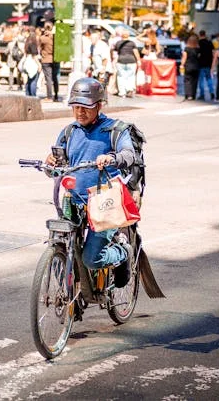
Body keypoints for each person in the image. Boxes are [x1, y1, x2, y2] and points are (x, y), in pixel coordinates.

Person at [45, 77, 135, 282]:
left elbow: (129, 155)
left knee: (92, 259)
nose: (80, 112)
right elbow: (55, 169)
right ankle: (68, 295)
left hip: (105, 200)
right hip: (72, 201)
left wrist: (112, 158)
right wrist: (51, 164)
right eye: (75, 107)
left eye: (85, 107)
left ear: (99, 105)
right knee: (60, 247)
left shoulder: (115, 130)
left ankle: (122, 254)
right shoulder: (69, 132)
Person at [112, 29, 140, 98]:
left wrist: (113, 60)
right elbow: (135, 52)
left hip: (121, 60)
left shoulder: (118, 43)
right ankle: (130, 89)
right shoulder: (132, 43)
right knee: (131, 76)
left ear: (121, 35)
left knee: (121, 76)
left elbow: (114, 52)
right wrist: (139, 60)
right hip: (131, 61)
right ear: (128, 36)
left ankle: (122, 92)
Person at [39, 21, 60, 101]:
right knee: (55, 78)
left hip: (46, 60)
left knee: (48, 79)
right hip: (55, 59)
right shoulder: (55, 37)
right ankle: (56, 96)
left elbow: (40, 48)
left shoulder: (43, 38)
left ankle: (49, 97)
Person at [196, 30, 216, 100]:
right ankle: (212, 92)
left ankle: (202, 95)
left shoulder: (198, 43)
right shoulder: (209, 43)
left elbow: (197, 54)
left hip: (201, 64)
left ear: (199, 35)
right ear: (205, 34)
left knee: (201, 80)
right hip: (208, 63)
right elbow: (213, 53)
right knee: (209, 79)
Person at [22, 30, 41, 97]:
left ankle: (27, 95)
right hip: (32, 63)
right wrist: (39, 64)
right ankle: (33, 96)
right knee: (34, 80)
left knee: (29, 80)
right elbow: (34, 56)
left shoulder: (27, 44)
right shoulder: (33, 44)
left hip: (27, 62)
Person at [180, 35, 200, 100]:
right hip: (196, 66)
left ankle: (188, 95)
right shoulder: (198, 49)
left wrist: (182, 64)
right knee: (195, 81)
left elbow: (184, 57)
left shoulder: (187, 49)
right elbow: (199, 57)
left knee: (187, 80)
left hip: (188, 66)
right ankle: (193, 95)